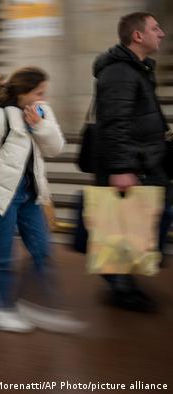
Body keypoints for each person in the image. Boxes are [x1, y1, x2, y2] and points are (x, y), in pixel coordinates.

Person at [0, 67, 82, 333]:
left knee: (42, 250)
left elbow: (56, 148)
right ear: (23, 93)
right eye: (39, 93)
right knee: (6, 257)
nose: (44, 98)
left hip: (31, 195)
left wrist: (39, 126)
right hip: (0, 198)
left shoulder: (42, 112)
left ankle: (41, 305)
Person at [92, 12, 167, 312]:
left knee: (132, 225)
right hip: (131, 163)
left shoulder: (137, 69)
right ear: (138, 36)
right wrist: (121, 168)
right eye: (155, 28)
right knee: (122, 226)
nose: (161, 33)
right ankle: (121, 289)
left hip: (145, 160)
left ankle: (123, 284)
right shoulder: (121, 72)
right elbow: (115, 123)